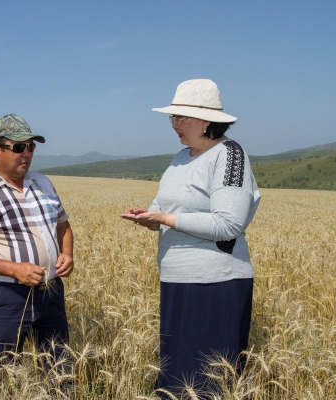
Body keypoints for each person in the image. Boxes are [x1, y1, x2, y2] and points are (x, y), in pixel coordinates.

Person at [120, 79, 261, 398]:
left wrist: (166, 219)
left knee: (209, 383)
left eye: (180, 118)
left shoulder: (230, 155)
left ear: (207, 120)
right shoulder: (181, 157)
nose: (174, 125)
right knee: (177, 379)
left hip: (216, 283)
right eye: (172, 118)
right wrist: (149, 218)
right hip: (176, 280)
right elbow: (163, 205)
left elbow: (228, 225)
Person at [0, 114, 74, 367]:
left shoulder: (43, 182)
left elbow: (63, 225)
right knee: (7, 371)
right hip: (7, 296)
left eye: (31, 147)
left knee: (59, 367)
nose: (27, 153)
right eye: (19, 147)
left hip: (51, 290)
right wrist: (15, 269)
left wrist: (67, 253)